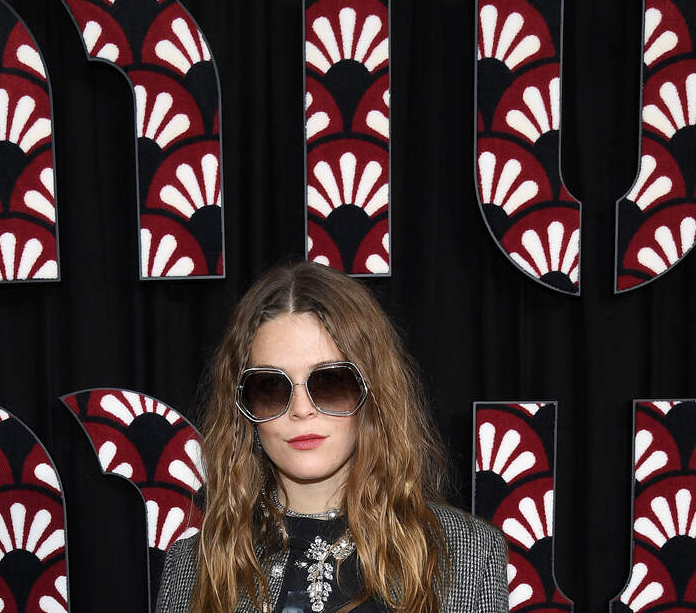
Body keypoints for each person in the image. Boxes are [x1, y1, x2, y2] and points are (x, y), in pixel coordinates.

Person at [156, 261, 508, 612]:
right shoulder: (191, 566)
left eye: (330, 381)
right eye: (270, 387)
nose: (301, 409)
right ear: (243, 405)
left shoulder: (469, 554)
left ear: (371, 392)